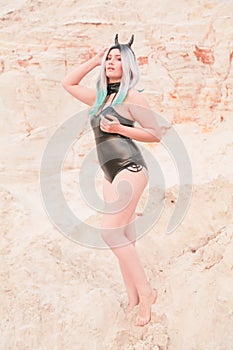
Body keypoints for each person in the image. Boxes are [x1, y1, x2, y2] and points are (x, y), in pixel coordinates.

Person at [62, 34, 161, 326]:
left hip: (130, 167)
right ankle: (132, 296)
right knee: (124, 235)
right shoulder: (101, 96)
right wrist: (95, 58)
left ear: (128, 65)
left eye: (118, 59)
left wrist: (121, 128)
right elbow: (67, 83)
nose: (112, 62)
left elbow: (155, 133)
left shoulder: (133, 97)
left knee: (111, 234)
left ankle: (146, 293)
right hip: (109, 172)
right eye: (110, 58)